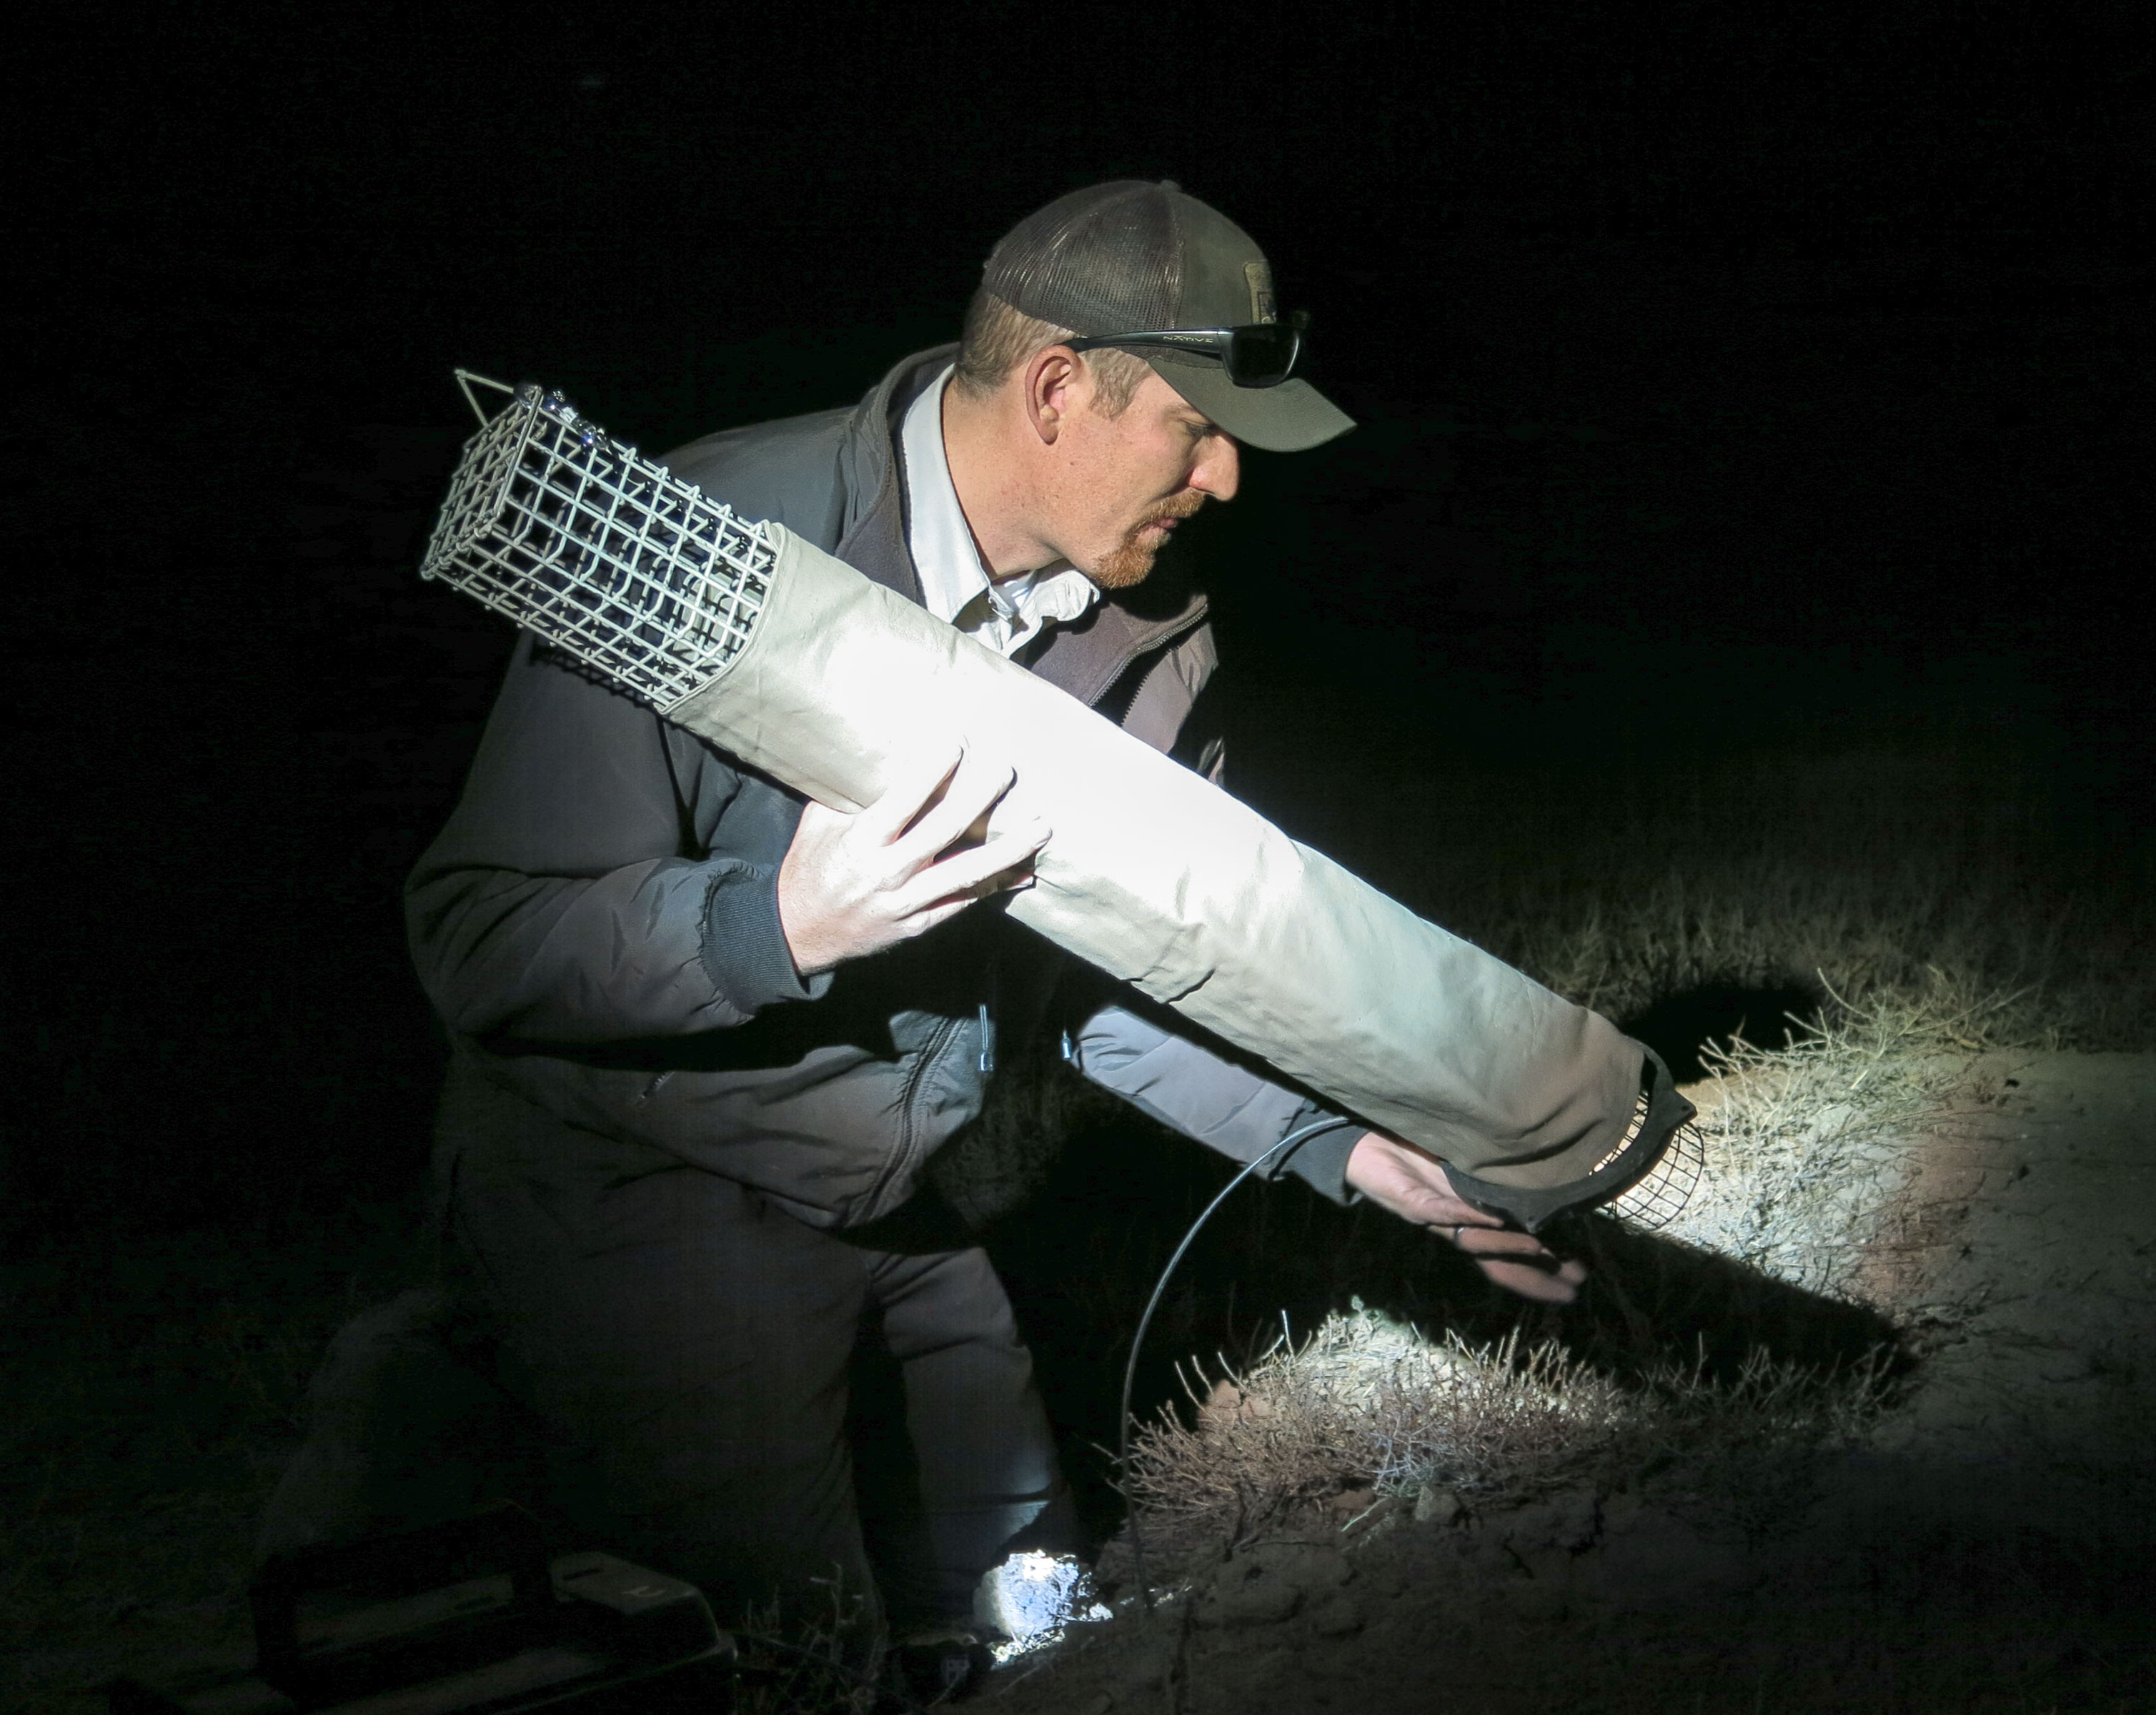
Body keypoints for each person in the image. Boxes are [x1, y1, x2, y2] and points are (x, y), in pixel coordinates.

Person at [369, 181, 1579, 1661]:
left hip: (890, 1191)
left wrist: (1341, 1144)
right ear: (1060, 390)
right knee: (800, 1650)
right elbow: (478, 938)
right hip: (634, 1192)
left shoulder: (1146, 636)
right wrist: (776, 924)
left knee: (1041, 1612)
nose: (1226, 481)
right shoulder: (710, 541)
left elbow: (1111, 979)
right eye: (1196, 432)